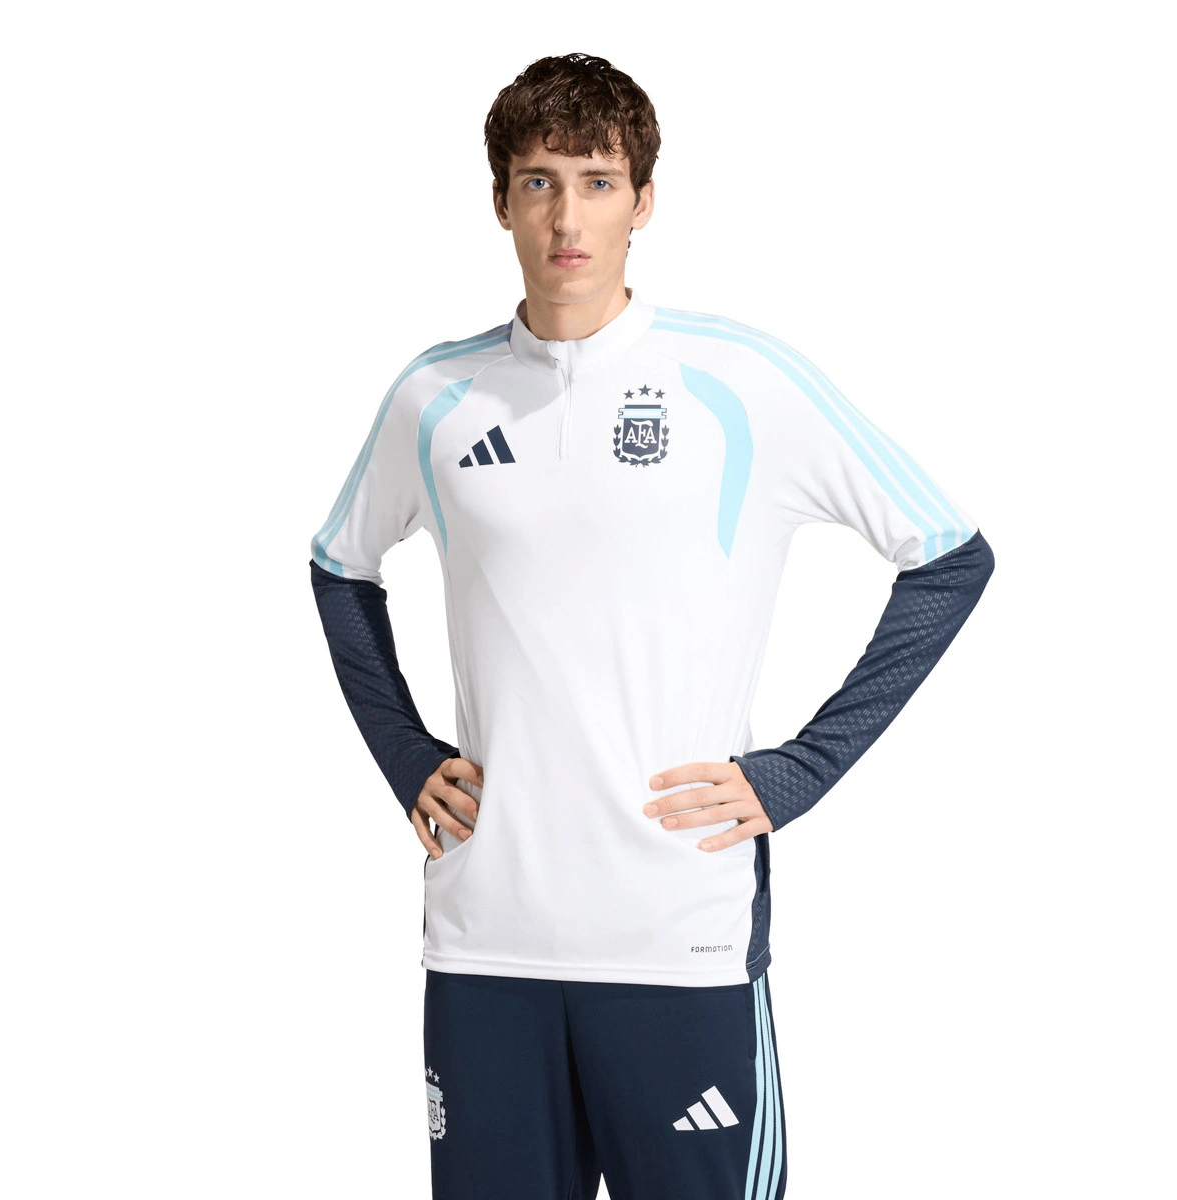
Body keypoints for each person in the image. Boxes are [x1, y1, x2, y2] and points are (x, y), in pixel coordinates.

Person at [308, 51, 994, 1200]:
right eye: (538, 182)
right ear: (500, 202)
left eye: (597, 182)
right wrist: (403, 755)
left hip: (680, 939)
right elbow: (340, 567)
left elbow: (948, 557)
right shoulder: (436, 395)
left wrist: (800, 770)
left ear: (644, 201)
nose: (567, 217)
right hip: (485, 940)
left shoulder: (740, 382)